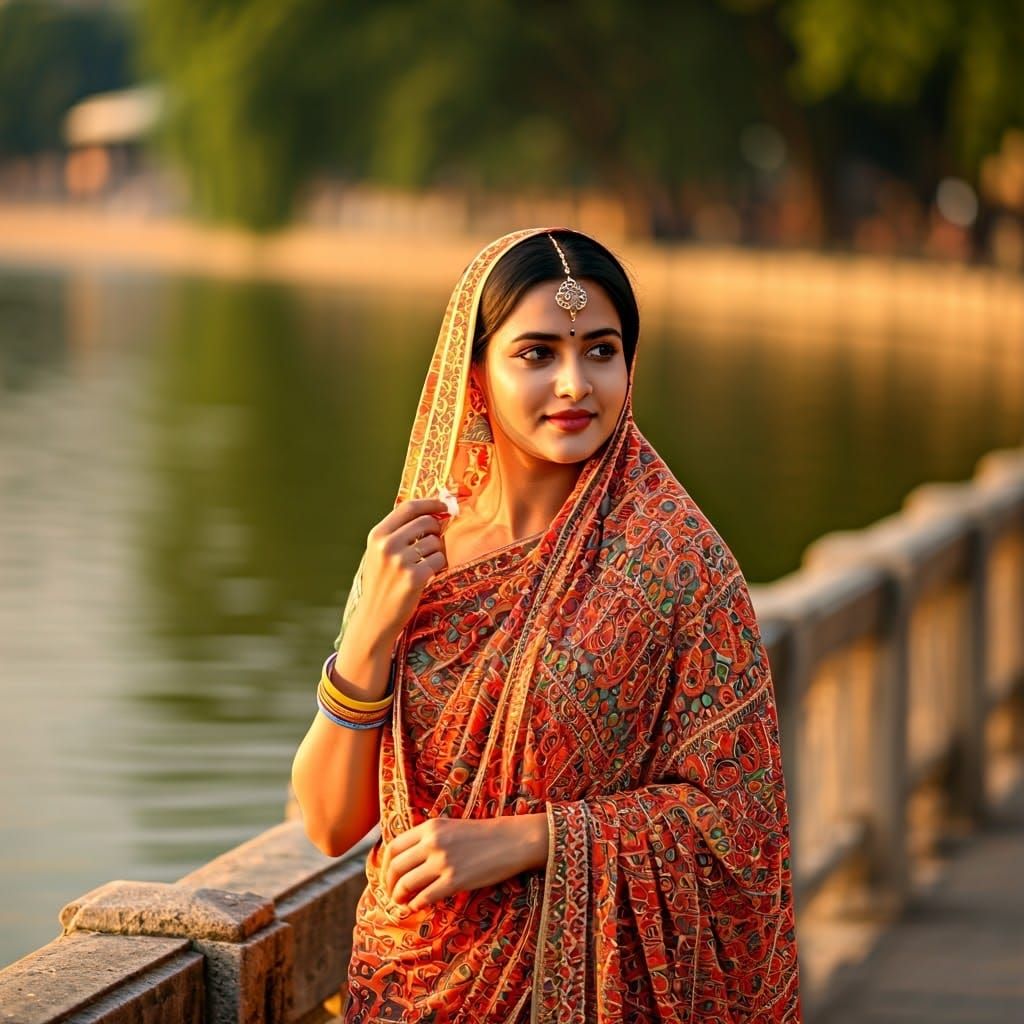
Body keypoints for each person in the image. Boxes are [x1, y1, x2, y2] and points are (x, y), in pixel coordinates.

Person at [291, 227, 801, 1023]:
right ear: (476, 374)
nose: (575, 384)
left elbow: (738, 827)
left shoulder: (677, 564)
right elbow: (328, 825)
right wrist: (366, 637)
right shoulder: (415, 554)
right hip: (409, 986)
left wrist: (532, 839)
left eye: (601, 350)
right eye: (536, 354)